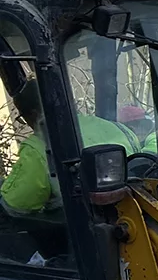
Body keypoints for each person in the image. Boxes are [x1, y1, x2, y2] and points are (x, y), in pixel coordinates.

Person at [1, 79, 139, 214]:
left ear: (34, 114)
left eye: (23, 118)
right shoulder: (117, 128)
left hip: (90, 227)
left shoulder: (40, 146)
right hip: (135, 213)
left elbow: (17, 205)